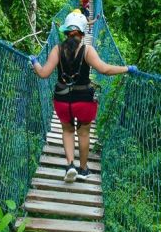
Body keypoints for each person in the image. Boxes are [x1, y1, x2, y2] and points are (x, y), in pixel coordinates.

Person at [31, 12, 129, 182]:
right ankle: (83, 169)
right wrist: (126, 68)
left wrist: (35, 62)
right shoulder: (87, 50)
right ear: (83, 34)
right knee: (83, 134)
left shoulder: (57, 49)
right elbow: (104, 69)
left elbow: (43, 73)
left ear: (65, 32)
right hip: (84, 102)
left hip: (62, 101)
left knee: (67, 131)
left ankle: (70, 165)